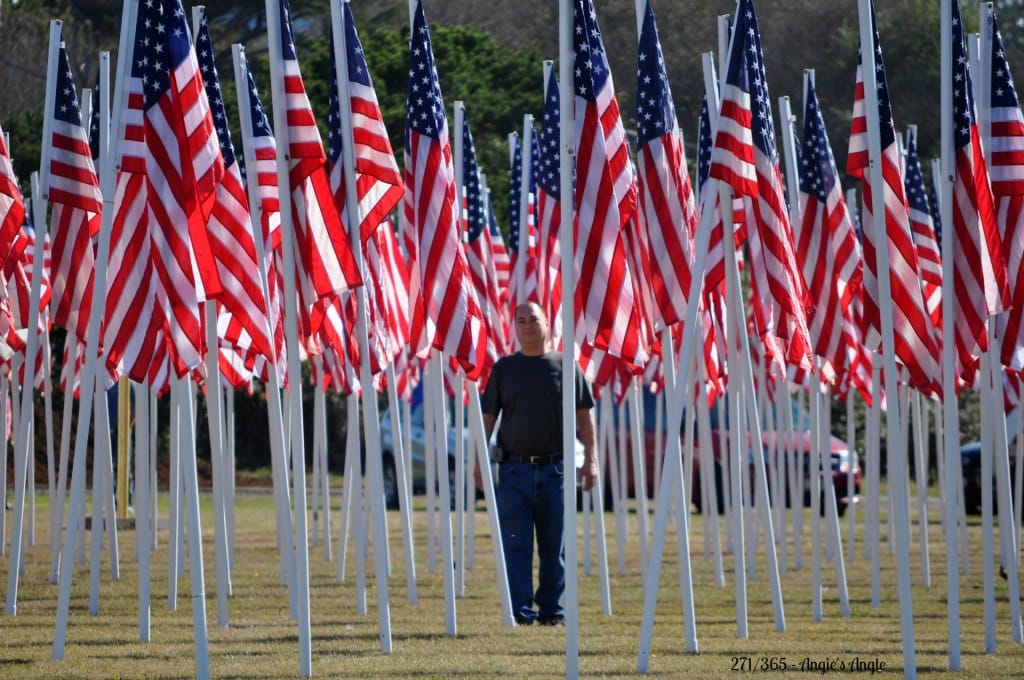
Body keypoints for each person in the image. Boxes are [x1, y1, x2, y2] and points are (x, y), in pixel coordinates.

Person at [479, 301, 598, 626]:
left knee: (554, 547)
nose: (528, 325)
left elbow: (584, 417)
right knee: (515, 542)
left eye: (534, 319)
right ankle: (519, 609)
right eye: (521, 321)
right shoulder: (504, 369)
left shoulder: (566, 366)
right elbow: (487, 418)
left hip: (555, 471)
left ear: (547, 324)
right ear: (514, 327)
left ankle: (552, 611)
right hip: (513, 472)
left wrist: (591, 460)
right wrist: (478, 462)